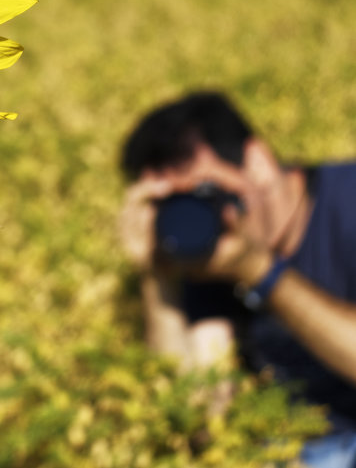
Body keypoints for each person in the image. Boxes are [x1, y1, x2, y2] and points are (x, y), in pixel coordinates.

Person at [118, 91, 356, 466]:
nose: (196, 213)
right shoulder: (212, 255)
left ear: (258, 163)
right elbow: (199, 416)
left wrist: (262, 272)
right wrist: (155, 279)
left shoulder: (347, 199)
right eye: (172, 205)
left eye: (202, 190)